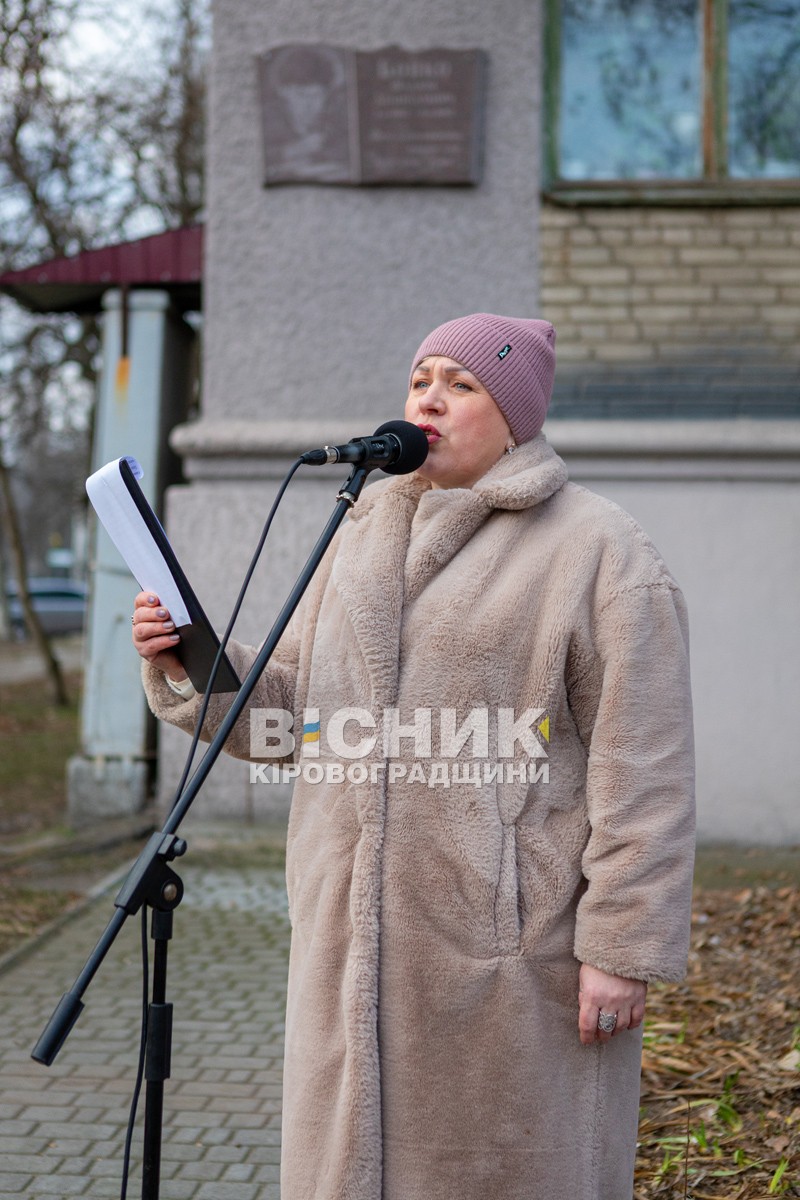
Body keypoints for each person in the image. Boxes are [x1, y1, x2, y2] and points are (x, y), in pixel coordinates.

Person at [132, 313, 695, 1200]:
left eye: (460, 383)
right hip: (346, 941)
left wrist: (621, 948)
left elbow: (647, 769)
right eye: (420, 377)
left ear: (516, 415)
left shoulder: (598, 549)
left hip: (510, 958)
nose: (429, 395)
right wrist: (190, 660)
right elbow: (297, 716)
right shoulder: (359, 532)